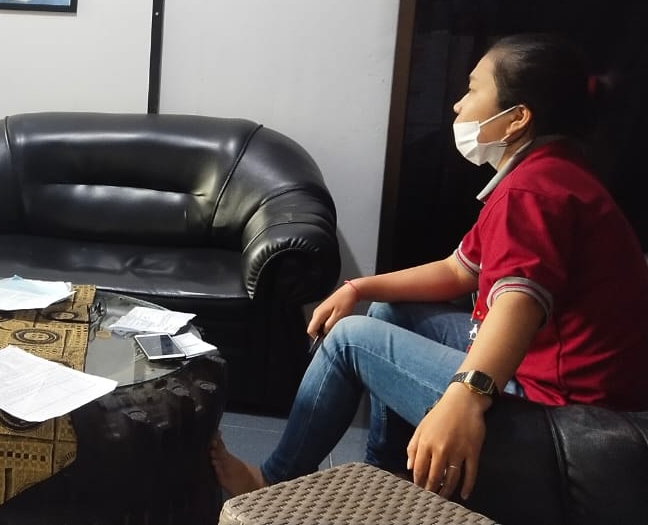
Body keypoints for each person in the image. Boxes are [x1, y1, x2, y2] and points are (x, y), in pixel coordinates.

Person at [210, 33, 648, 501]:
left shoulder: (532, 192)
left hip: (563, 409)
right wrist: (359, 287)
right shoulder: (548, 173)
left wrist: (466, 398)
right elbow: (459, 271)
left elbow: (518, 303)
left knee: (349, 340)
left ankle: (271, 481)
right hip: (554, 375)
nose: (458, 105)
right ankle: (388, 473)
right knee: (388, 312)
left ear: (517, 118)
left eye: (473, 89)